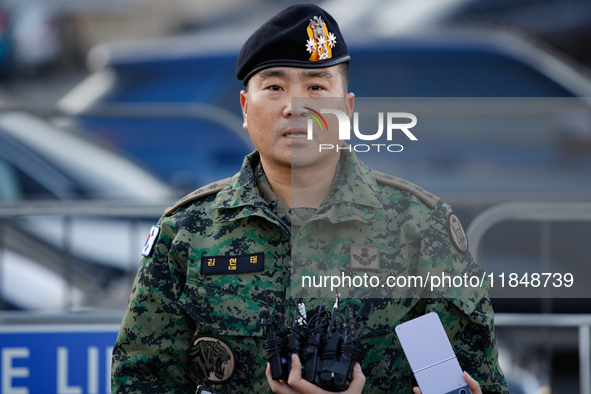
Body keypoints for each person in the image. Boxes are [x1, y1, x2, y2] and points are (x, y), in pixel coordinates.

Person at [111, 4, 509, 394]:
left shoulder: (419, 228)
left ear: (346, 109)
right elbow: (140, 378)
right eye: (274, 87)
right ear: (246, 108)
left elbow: (471, 377)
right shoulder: (186, 233)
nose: (295, 106)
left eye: (317, 87)